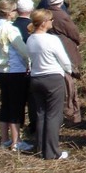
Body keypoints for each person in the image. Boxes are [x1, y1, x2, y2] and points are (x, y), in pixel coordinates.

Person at [26, 9, 73, 160]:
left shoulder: (31, 39)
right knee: (53, 115)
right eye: (51, 20)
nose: (52, 22)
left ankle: (40, 147)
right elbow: (64, 59)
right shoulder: (51, 39)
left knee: (41, 113)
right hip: (52, 78)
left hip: (36, 78)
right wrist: (69, 70)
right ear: (44, 22)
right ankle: (52, 152)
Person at [0, 0, 32, 151]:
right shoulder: (10, 28)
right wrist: (31, 61)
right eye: (15, 10)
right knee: (16, 106)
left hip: (2, 70)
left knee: (6, 105)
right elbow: (23, 49)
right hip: (16, 70)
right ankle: (17, 141)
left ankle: (5, 139)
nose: (16, 13)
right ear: (9, 13)